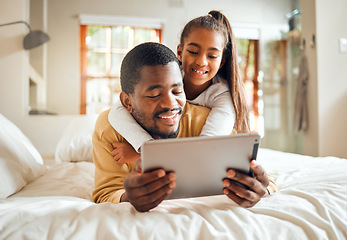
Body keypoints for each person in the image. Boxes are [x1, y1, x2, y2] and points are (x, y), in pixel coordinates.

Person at [92, 42, 277, 212]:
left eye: (177, 91)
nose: (170, 104)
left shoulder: (207, 123)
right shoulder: (109, 129)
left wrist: (262, 189)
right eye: (155, 94)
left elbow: (263, 180)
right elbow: (105, 192)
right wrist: (128, 197)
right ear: (127, 101)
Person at [109, 10, 250, 165]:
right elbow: (116, 111)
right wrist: (146, 146)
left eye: (212, 56)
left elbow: (206, 148)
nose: (202, 62)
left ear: (221, 61)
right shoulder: (170, 75)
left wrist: (146, 156)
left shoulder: (223, 96)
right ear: (180, 52)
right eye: (194, 52)